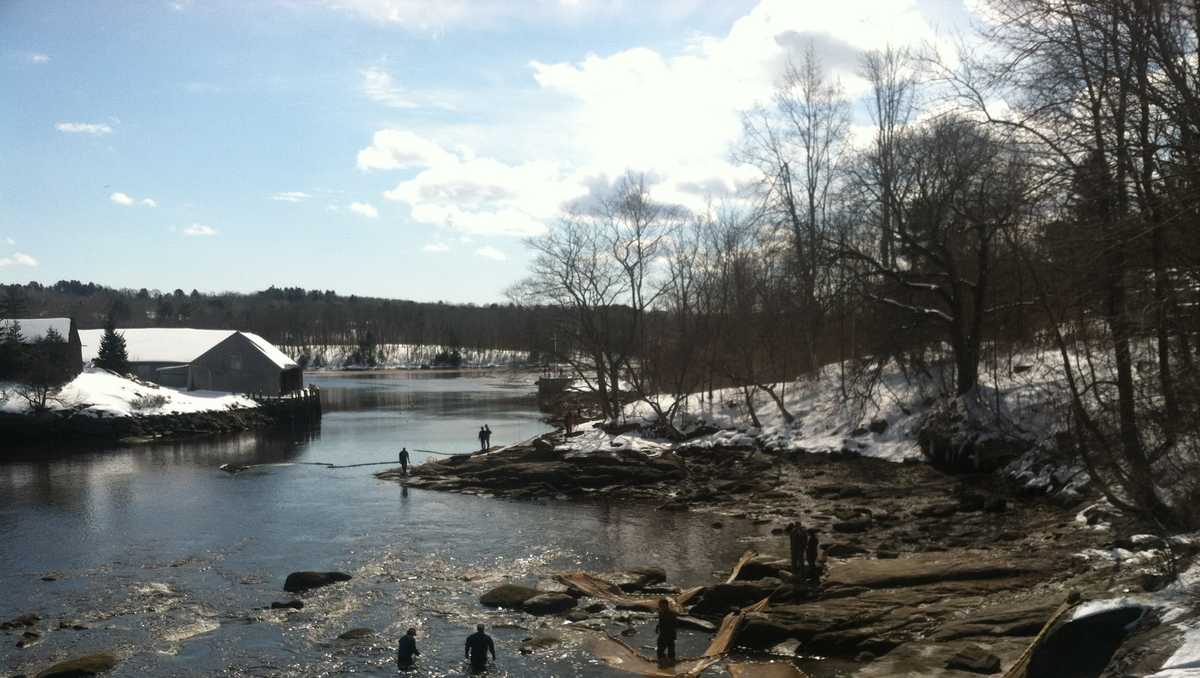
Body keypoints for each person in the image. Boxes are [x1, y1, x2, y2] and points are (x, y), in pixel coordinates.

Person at [655, 598, 677, 666]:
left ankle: (671, 662)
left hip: (669, 634)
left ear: (667, 605)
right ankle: (663, 662)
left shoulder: (672, 613)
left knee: (671, 650)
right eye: (660, 606)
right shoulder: (660, 612)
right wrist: (657, 627)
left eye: (663, 606)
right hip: (662, 634)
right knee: (660, 650)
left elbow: (674, 625)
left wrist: (673, 635)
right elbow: (660, 622)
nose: (661, 607)